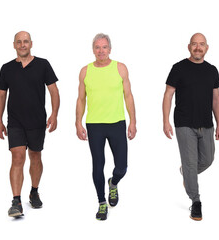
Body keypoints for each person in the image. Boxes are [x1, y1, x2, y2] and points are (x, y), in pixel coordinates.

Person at [0, 31, 60, 218]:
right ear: (14, 45)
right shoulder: (6, 68)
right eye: (19, 42)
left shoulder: (43, 64)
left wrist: (55, 114)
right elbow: (1, 96)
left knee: (35, 156)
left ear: (31, 44)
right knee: (17, 158)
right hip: (15, 121)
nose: (22, 45)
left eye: (25, 42)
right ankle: (16, 201)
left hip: (37, 120)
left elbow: (54, 91)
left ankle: (33, 191)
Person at [76, 33, 136, 221]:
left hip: (117, 123)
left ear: (110, 49)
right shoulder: (85, 71)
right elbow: (81, 99)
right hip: (94, 124)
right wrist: (78, 122)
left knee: (122, 167)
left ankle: (113, 182)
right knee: (98, 164)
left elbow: (128, 96)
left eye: (104, 47)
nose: (101, 51)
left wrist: (133, 121)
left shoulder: (120, 68)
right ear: (93, 50)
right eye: (97, 47)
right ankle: (102, 202)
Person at [162, 33, 219, 221]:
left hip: (206, 123)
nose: (198, 47)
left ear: (207, 48)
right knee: (190, 162)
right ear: (189, 47)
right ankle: (195, 202)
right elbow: (168, 95)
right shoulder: (178, 68)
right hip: (184, 122)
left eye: (201, 44)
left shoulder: (212, 70)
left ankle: (186, 174)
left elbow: (216, 98)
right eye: (194, 44)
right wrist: (165, 121)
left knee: (208, 159)